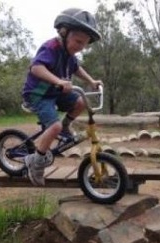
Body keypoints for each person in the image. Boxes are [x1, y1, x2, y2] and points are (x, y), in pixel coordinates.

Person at [22, 8, 103, 186]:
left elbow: (76, 68)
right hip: (39, 94)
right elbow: (36, 68)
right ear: (64, 32)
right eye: (78, 41)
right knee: (54, 127)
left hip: (55, 93)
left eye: (84, 44)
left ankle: (66, 126)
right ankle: (35, 163)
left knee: (82, 101)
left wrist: (91, 81)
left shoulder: (69, 54)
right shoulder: (51, 47)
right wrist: (58, 81)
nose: (80, 47)